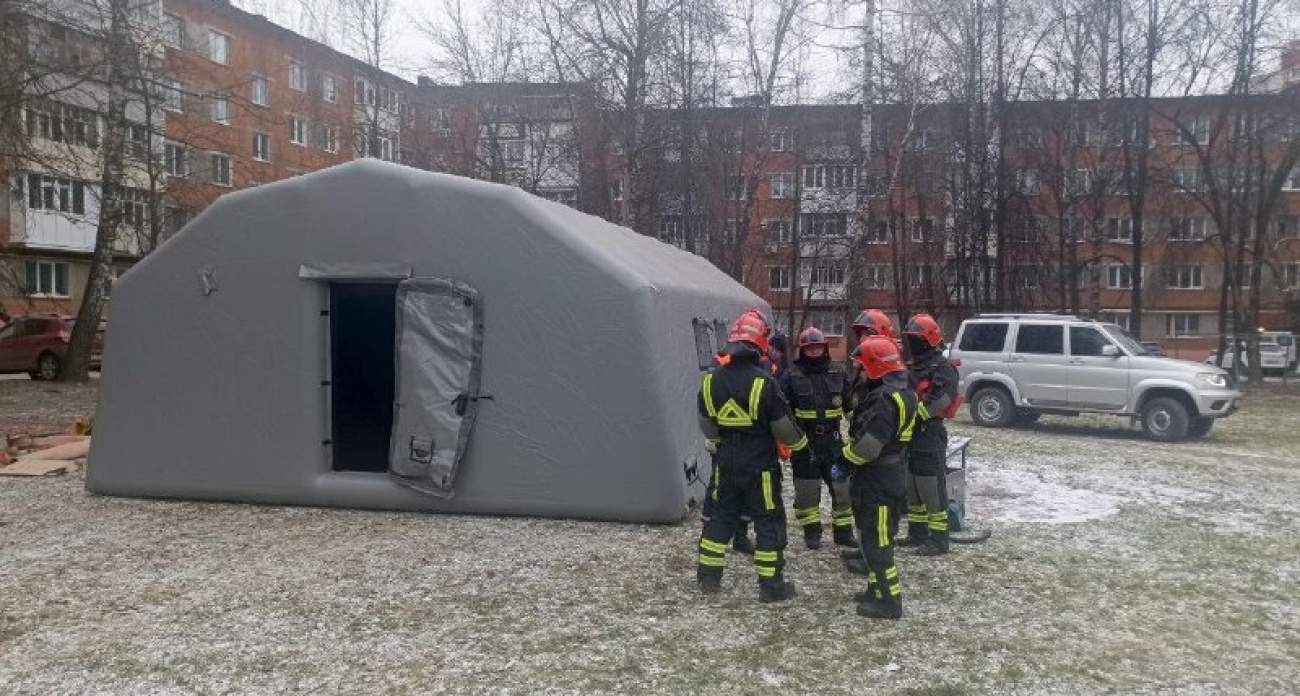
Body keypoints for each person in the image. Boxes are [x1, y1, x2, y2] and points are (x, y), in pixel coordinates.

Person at [697, 311, 809, 603]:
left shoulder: (711, 381)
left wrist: (723, 440)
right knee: (767, 520)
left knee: (721, 516)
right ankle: (771, 586)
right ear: (760, 343)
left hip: (725, 461)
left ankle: (708, 577)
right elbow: (783, 427)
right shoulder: (764, 382)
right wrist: (801, 446)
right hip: (759, 464)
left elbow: (706, 424)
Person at [839, 335, 918, 619]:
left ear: (874, 365)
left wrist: (845, 459)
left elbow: (870, 446)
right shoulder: (902, 392)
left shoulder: (885, 400)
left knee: (878, 543)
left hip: (878, 479)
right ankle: (876, 589)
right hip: (887, 475)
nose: (859, 371)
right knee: (873, 538)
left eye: (862, 366)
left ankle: (890, 602)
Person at [780, 326, 855, 550]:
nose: (814, 351)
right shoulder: (791, 376)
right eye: (809, 348)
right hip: (806, 446)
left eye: (817, 347)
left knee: (842, 489)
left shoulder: (838, 372)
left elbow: (850, 407)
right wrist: (792, 440)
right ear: (802, 351)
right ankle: (812, 534)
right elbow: (783, 412)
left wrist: (858, 429)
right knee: (807, 493)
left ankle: (843, 533)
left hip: (833, 445)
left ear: (824, 348)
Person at [900, 314, 961, 556]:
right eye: (911, 339)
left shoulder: (943, 367)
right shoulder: (911, 366)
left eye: (917, 339)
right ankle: (917, 532)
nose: (913, 343)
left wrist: (912, 416)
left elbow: (942, 400)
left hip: (928, 433)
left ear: (930, 340)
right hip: (909, 435)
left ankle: (939, 539)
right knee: (912, 486)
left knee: (930, 487)